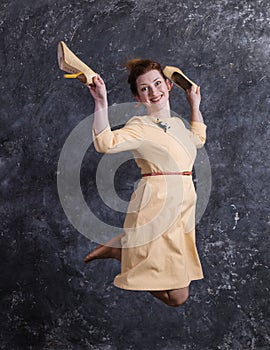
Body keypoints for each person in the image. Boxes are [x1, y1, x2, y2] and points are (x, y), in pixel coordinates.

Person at [84, 59, 206, 307]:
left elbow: (198, 139)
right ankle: (122, 249)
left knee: (178, 297)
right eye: (144, 88)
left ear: (169, 86)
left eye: (157, 83)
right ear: (138, 97)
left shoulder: (178, 125)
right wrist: (100, 101)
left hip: (182, 210)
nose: (153, 91)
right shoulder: (139, 126)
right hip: (157, 207)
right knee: (179, 297)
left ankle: (121, 249)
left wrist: (194, 105)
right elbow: (105, 143)